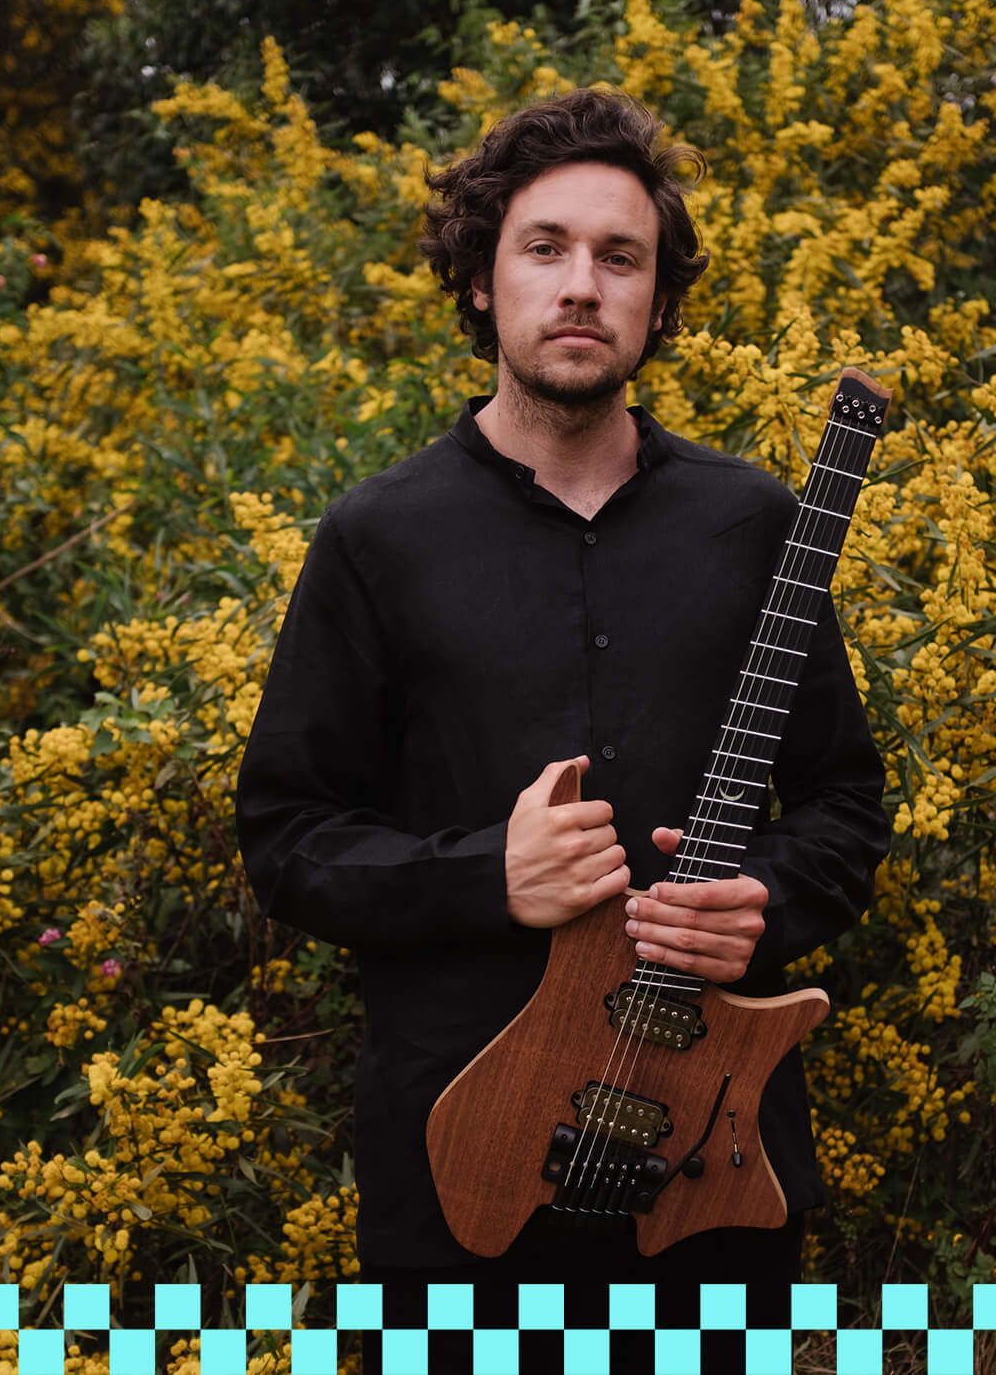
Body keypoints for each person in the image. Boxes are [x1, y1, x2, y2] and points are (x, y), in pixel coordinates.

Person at [234, 86, 890, 1373]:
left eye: (619, 256)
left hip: (711, 1165)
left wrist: (759, 897)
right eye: (544, 249)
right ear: (482, 281)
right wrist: (491, 876)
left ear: (655, 299)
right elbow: (286, 835)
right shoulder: (378, 538)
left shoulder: (749, 523)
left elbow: (843, 807)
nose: (580, 285)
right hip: (456, 1177)